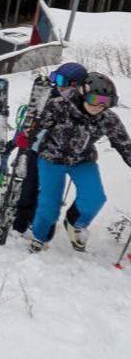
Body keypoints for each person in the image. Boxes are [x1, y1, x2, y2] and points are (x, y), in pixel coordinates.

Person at [29, 72, 131, 253]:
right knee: (49, 205)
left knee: (95, 198)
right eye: (95, 99)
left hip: (83, 160)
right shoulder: (59, 106)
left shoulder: (108, 118)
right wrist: (25, 139)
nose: (99, 105)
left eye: (106, 102)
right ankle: (40, 237)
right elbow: (38, 126)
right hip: (52, 158)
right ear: (83, 92)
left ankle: (76, 223)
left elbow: (124, 144)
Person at [12, 62, 87, 236]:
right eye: (56, 79)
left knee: (49, 192)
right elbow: (31, 121)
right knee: (29, 188)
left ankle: (44, 228)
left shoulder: (80, 106)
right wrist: (20, 139)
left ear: (75, 85)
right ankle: (20, 224)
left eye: (61, 80)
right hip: (36, 151)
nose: (57, 84)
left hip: (57, 158)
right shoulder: (49, 96)